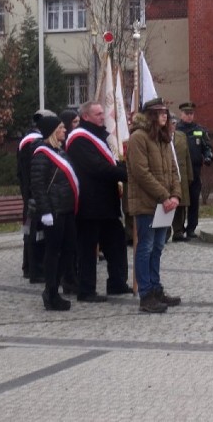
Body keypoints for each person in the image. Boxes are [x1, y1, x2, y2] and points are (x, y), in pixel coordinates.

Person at [65, 101, 130, 302]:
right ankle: (86, 290)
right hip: (89, 204)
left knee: (117, 243)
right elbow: (97, 167)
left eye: (103, 113)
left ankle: (117, 283)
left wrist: (125, 168)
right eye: (99, 113)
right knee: (88, 248)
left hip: (106, 203)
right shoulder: (78, 139)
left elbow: (109, 162)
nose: (104, 116)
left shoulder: (98, 136)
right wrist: (126, 173)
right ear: (86, 117)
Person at [126, 97, 183, 313]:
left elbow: (173, 170)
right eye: (160, 113)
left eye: (165, 113)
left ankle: (156, 287)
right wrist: (164, 196)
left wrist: (176, 195)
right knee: (146, 247)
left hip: (165, 204)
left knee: (158, 247)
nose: (164, 116)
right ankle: (146, 294)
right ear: (150, 115)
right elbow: (141, 173)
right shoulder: (138, 138)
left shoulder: (163, 139)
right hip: (147, 204)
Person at [30, 114, 78, 311]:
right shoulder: (41, 154)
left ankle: (56, 286)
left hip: (66, 210)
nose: (65, 130)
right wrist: (45, 212)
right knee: (53, 252)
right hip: (54, 212)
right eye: (61, 128)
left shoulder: (61, 151)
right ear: (52, 131)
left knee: (68, 252)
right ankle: (50, 292)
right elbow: (38, 185)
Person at [18, 110, 55, 283]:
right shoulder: (32, 142)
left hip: (30, 192)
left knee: (32, 232)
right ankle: (35, 269)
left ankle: (29, 266)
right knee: (34, 233)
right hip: (34, 194)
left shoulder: (29, 139)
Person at [176, 102, 213, 239]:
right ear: (181, 114)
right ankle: (178, 229)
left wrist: (208, 157)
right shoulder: (176, 129)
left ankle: (191, 228)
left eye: (191, 114)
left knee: (193, 200)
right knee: (180, 200)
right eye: (187, 114)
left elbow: (207, 146)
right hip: (180, 170)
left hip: (195, 169)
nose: (189, 116)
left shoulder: (199, 130)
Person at [169, 114, 194, 242]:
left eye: (174, 123)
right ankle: (165, 232)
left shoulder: (181, 136)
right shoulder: (160, 137)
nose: (173, 125)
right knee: (167, 203)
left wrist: (189, 175)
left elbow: (187, 157)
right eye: (171, 123)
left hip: (181, 175)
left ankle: (178, 231)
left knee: (181, 204)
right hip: (167, 176)